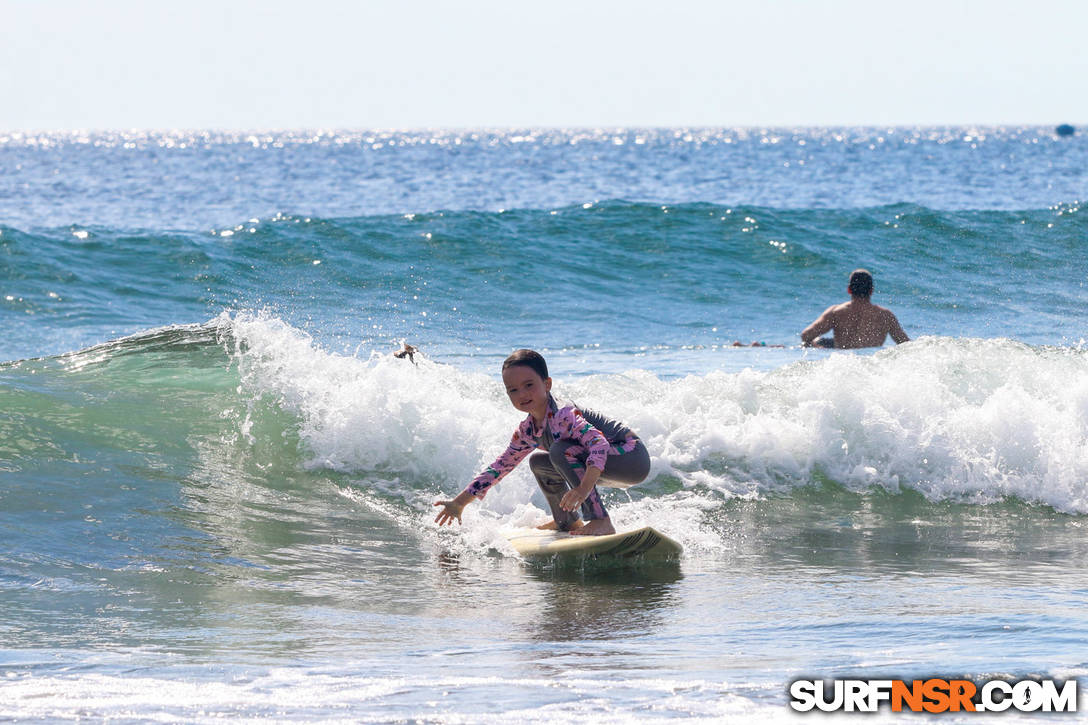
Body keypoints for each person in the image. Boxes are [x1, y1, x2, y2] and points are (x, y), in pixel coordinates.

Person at [433, 349, 650, 536]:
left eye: (529, 385)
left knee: (560, 451)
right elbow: (499, 467)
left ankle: (601, 520)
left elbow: (599, 444)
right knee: (539, 462)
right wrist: (459, 503)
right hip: (603, 464)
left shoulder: (564, 414)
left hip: (631, 457)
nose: (522, 394)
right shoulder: (528, 430)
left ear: (547, 384)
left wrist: (583, 489)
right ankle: (566, 520)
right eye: (513, 390)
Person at [800, 269, 910, 349]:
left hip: (846, 363)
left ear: (849, 290)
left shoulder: (836, 312)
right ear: (871, 291)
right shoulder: (886, 315)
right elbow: (906, 345)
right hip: (871, 364)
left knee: (810, 343)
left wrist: (816, 344)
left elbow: (806, 335)